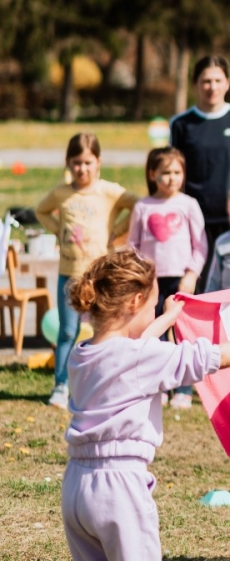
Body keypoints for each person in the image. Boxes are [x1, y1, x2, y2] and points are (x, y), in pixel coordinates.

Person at [60, 248, 230, 560]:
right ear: (135, 302)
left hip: (76, 487)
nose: (153, 313)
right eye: (151, 306)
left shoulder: (82, 353)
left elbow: (134, 347)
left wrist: (167, 318)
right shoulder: (140, 358)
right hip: (119, 488)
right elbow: (213, 357)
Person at [36, 133, 139, 410]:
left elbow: (137, 204)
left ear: (98, 162)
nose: (82, 168)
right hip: (69, 275)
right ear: (68, 163)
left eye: (87, 162)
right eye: (76, 163)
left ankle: (101, 384)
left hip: (99, 277)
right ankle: (60, 385)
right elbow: (41, 211)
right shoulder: (61, 193)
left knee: (103, 330)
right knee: (68, 331)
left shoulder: (108, 191)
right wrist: (57, 230)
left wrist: (116, 232)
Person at [169, 55, 230, 291]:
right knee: (199, 285)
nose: (213, 87)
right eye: (206, 81)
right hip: (196, 222)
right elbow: (172, 167)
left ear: (228, 83)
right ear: (196, 84)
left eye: (218, 80)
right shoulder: (181, 124)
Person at [127, 146, 209, 409]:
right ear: (152, 174)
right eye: (165, 173)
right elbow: (133, 245)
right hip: (151, 283)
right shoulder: (143, 206)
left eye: (176, 172)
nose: (171, 178)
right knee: (155, 334)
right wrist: (139, 276)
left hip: (181, 281)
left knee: (183, 332)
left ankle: (184, 388)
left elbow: (201, 245)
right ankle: (160, 385)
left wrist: (191, 274)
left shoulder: (189, 205)